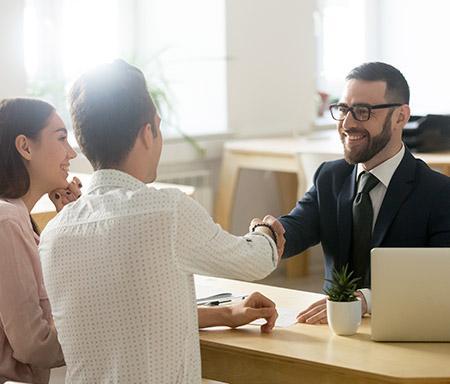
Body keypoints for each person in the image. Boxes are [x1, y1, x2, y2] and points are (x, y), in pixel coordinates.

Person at [39, 60, 284, 384]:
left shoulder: (53, 234)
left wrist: (228, 312)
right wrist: (264, 231)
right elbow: (255, 261)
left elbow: (128, 318)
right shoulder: (168, 211)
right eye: (158, 125)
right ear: (147, 133)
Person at [255, 62, 450, 324]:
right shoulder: (330, 177)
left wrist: (365, 301)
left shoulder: (438, 193)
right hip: (332, 328)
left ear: (401, 117)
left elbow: (440, 279)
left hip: (405, 328)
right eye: (344, 109)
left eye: (362, 111)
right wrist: (267, 234)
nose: (347, 123)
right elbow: (297, 226)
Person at [0, 98, 81, 384]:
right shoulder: (7, 221)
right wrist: (106, 332)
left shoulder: (17, 218)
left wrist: (70, 221)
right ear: (25, 147)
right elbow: (34, 345)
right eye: (61, 138)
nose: (71, 153)